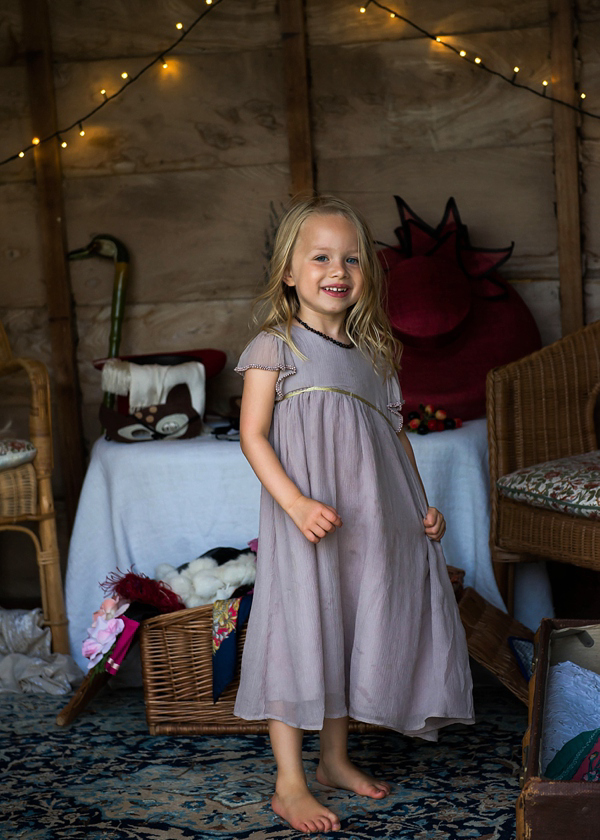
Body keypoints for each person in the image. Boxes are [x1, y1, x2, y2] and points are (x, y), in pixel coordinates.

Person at [233, 195, 475, 834]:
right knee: (300, 630)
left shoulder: (376, 355)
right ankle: (291, 781)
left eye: (352, 258)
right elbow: (252, 434)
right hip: (307, 518)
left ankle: (335, 759)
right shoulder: (274, 345)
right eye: (320, 257)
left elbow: (396, 439)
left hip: (372, 520)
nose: (337, 269)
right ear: (289, 271)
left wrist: (422, 507)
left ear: (367, 273)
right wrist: (294, 502)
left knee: (345, 627)